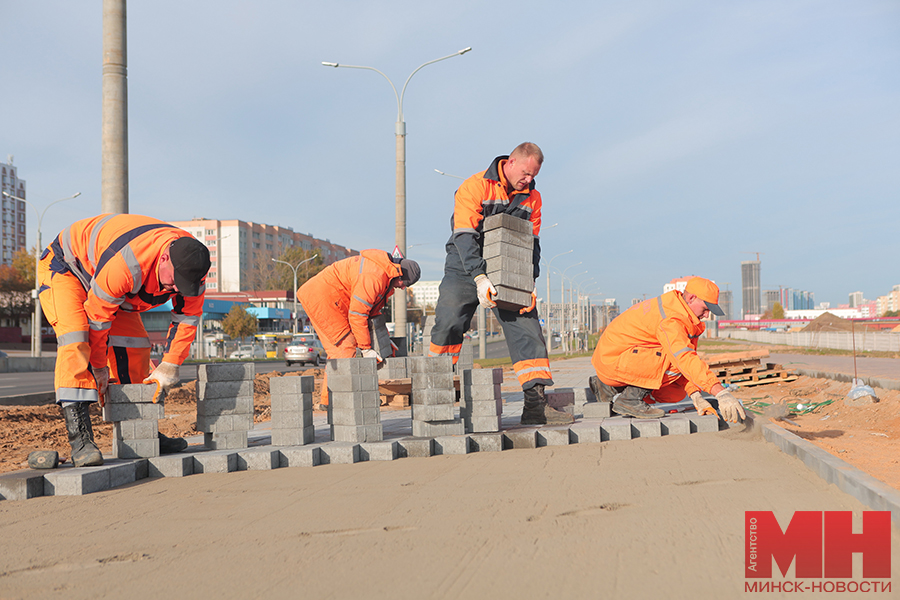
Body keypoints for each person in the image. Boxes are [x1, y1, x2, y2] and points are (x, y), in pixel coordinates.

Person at [38, 214, 211, 467]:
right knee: (77, 339)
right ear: (164, 258)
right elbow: (98, 321)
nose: (176, 289)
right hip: (68, 268)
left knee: (135, 346)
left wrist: (170, 364)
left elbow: (188, 318)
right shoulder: (129, 264)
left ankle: (141, 432)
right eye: (175, 281)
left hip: (110, 284)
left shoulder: (192, 266)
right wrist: (98, 368)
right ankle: (81, 441)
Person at [428, 142, 571, 426]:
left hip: (508, 269)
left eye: (534, 175)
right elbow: (464, 236)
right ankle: (434, 396)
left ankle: (535, 406)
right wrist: (479, 277)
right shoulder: (475, 186)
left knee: (527, 327)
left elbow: (532, 244)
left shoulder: (533, 198)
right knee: (449, 320)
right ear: (511, 162)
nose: (529, 180)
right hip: (464, 265)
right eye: (526, 173)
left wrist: (529, 283)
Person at [590, 276, 746, 422]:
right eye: (705, 309)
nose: (706, 315)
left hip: (610, 361)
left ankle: (608, 388)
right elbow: (684, 358)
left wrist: (695, 394)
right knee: (673, 362)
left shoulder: (678, 309)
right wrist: (720, 391)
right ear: (691, 298)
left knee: (676, 392)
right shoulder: (673, 319)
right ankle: (629, 400)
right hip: (613, 360)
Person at [296, 249, 421, 406]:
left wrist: (383, 340)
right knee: (345, 348)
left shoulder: (385, 278)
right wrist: (365, 348)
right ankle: (332, 403)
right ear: (399, 274)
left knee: (342, 350)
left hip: (337, 300)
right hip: (322, 298)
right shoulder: (374, 277)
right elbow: (357, 314)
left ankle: (329, 400)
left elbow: (372, 314)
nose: (402, 288)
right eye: (404, 284)